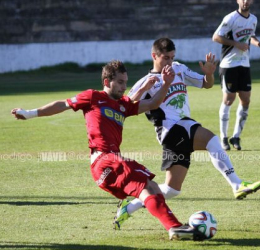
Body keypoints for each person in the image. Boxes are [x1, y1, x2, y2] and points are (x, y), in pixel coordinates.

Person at [11, 60, 205, 241]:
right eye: (120, 82)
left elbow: (152, 104)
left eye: (125, 83)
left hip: (112, 161)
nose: (123, 87)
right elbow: (62, 104)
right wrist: (29, 114)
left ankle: (174, 228)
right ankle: (174, 227)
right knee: (148, 187)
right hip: (103, 160)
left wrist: (166, 83)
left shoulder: (123, 105)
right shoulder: (93, 97)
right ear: (107, 81)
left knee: (151, 187)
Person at [113, 38, 260, 230]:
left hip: (181, 129)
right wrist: (143, 89)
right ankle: (236, 184)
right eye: (166, 58)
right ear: (154, 56)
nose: (169, 62)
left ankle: (130, 206)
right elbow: (125, 105)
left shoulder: (179, 69)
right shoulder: (147, 81)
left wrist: (209, 74)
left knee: (172, 189)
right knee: (212, 139)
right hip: (171, 130)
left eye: (172, 57)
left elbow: (206, 84)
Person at [212, 0, 260, 150]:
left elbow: (251, 36)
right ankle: (223, 138)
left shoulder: (253, 19)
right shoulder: (230, 18)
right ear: (238, 1)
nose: (245, 1)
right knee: (228, 100)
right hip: (228, 65)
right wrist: (236, 44)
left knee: (245, 100)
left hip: (244, 65)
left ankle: (236, 137)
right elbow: (216, 37)